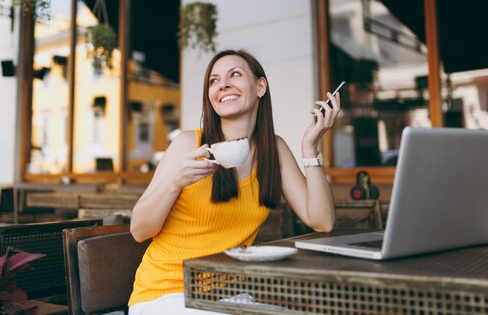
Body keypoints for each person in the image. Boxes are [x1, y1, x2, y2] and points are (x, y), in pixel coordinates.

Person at [128, 49, 338, 314]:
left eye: (234, 74)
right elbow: (139, 230)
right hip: (165, 295)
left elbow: (322, 221)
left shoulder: (274, 150)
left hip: (229, 296)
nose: (222, 84)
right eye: (213, 81)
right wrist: (174, 182)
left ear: (260, 86)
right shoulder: (188, 144)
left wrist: (310, 147)